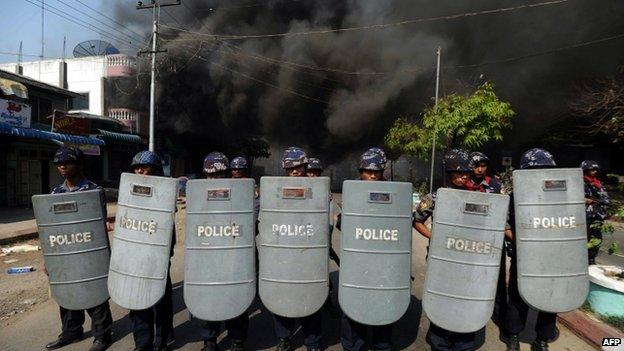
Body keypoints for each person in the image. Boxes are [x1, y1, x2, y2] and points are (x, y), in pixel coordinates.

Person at [413, 148, 486, 351]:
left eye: (466, 173)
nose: (463, 176)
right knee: (442, 301)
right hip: (441, 258)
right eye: (458, 172)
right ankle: (440, 342)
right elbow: (417, 221)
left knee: (466, 300)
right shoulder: (435, 197)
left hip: (468, 258)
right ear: (448, 173)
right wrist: (435, 238)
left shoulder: (477, 197)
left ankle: (464, 342)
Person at [45, 147, 113, 351]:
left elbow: (98, 224)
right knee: (67, 290)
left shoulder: (93, 191)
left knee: (95, 292)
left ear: (80, 165)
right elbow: (51, 228)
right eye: (58, 164)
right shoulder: (56, 193)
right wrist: (48, 258)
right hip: (65, 249)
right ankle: (71, 332)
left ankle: (102, 335)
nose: (62, 166)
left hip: (90, 248)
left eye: (68, 162)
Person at [338, 147, 394, 351]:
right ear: (361, 171)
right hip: (358, 261)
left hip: (383, 261)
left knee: (384, 302)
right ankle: (353, 345)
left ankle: (382, 345)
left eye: (376, 172)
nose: (372, 175)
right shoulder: (353, 193)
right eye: (368, 171)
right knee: (354, 304)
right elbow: (343, 224)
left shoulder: (394, 193)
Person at [503, 148, 559, 351]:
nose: (541, 174)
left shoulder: (561, 194)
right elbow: (505, 225)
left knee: (550, 296)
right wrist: (525, 243)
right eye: (536, 169)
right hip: (524, 255)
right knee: (518, 297)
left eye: (545, 169)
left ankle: (542, 339)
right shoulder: (514, 196)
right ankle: (513, 336)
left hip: (552, 256)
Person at [270, 146, 323, 351]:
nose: (295, 171)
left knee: (311, 295)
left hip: (309, 251)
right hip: (284, 251)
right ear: (285, 168)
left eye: (299, 167)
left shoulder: (317, 190)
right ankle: (284, 338)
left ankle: (313, 341)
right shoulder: (275, 190)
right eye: (291, 168)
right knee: (282, 295)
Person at [201, 152, 249, 351]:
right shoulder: (199, 192)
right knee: (209, 297)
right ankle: (209, 340)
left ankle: (237, 340)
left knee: (234, 297)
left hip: (233, 254)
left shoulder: (239, 192)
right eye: (210, 175)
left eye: (219, 175)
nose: (214, 179)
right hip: (208, 254)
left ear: (226, 174)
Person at [128, 151, 176, 351]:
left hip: (159, 251)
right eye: (136, 168)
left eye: (144, 167)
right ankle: (143, 342)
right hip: (135, 250)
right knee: (137, 298)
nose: (139, 171)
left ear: (155, 170)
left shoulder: (166, 191)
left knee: (161, 300)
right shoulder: (128, 190)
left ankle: (162, 340)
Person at [581, 160, 611, 265]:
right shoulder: (580, 183)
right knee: (586, 237)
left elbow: (605, 197)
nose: (594, 171)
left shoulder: (598, 183)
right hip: (586, 215)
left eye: (595, 169)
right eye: (591, 169)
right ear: (585, 170)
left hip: (598, 215)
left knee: (597, 238)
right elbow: (574, 197)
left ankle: (591, 259)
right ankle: (583, 260)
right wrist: (585, 200)